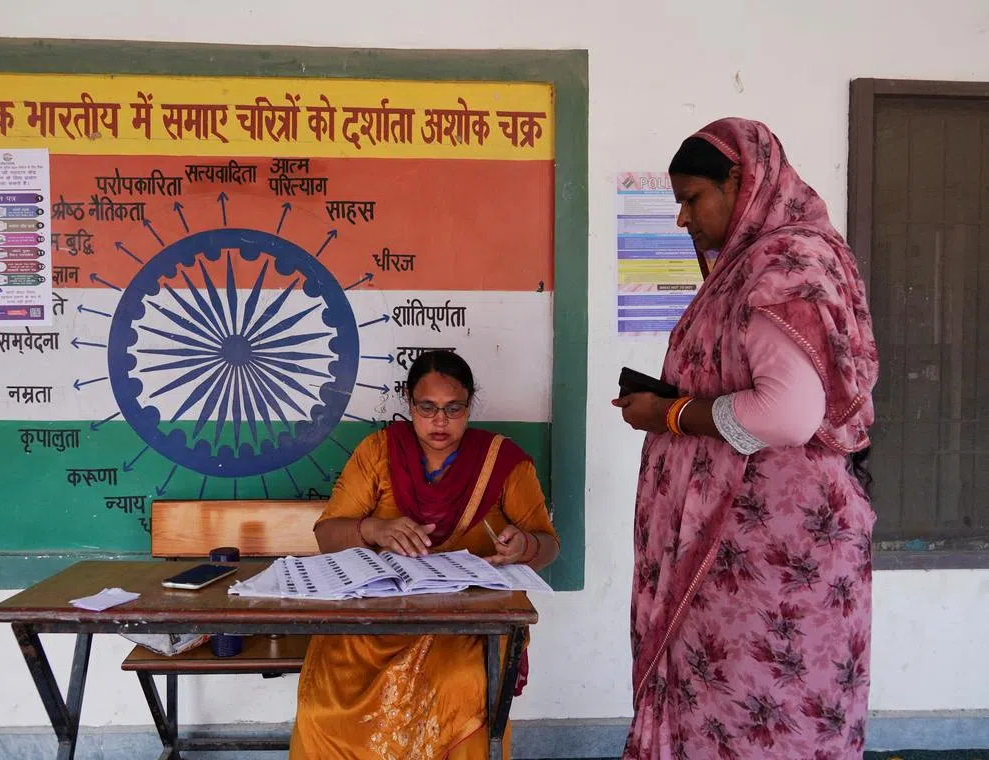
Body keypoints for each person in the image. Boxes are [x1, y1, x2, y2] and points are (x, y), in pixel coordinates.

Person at [613, 118, 879, 760]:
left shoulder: (786, 264)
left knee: (762, 719)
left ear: (741, 180)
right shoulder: (755, 264)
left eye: (691, 198)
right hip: (739, 551)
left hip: (766, 557)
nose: (682, 220)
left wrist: (670, 415)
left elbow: (787, 414)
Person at [288, 349, 560, 759]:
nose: (439, 421)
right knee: (322, 704)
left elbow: (549, 544)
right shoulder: (378, 453)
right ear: (408, 402)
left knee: (463, 685)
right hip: (374, 618)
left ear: (470, 405)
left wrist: (525, 546)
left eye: (454, 409)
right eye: (427, 407)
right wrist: (373, 528)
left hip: (467, 624)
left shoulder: (501, 462)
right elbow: (327, 534)